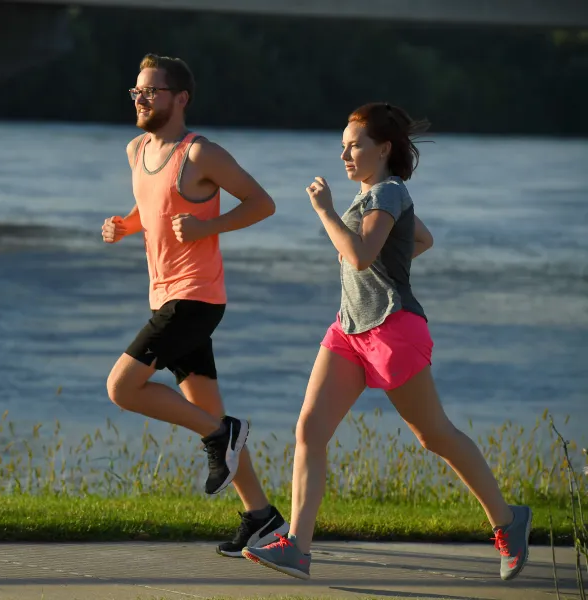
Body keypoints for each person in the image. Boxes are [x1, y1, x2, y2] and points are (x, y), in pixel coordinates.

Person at [242, 102, 532, 581]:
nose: (345, 155)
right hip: (349, 329)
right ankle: (297, 547)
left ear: (384, 148)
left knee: (433, 434)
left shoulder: (390, 192)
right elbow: (422, 239)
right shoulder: (376, 197)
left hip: (393, 328)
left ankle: (507, 519)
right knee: (309, 431)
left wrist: (325, 212)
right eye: (342, 146)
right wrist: (389, 251)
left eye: (354, 145)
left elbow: (357, 256)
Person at [102, 53, 289, 557]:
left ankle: (221, 434)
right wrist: (126, 224)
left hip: (196, 299)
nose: (140, 99)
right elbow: (154, 206)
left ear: (180, 98)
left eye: (151, 91)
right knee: (206, 407)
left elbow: (261, 203)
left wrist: (208, 226)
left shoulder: (200, 154)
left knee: (122, 387)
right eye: (136, 91)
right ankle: (262, 516)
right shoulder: (136, 150)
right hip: (164, 295)